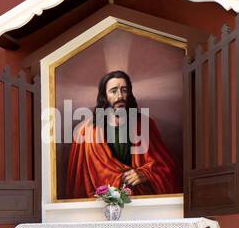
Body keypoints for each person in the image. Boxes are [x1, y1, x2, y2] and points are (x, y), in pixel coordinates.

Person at [65, 70, 180, 198]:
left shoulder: (144, 124)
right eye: (113, 91)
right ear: (104, 96)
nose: (120, 96)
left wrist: (146, 174)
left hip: (141, 201)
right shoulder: (86, 131)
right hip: (100, 205)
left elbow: (167, 167)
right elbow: (80, 179)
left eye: (124, 90)